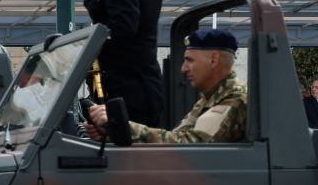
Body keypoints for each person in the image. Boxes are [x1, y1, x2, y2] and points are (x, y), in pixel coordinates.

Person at [85, 28, 247, 144]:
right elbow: (176, 138)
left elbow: (192, 145)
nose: (183, 68)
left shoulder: (234, 98)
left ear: (213, 60)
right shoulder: (210, 98)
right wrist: (113, 133)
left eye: (190, 60)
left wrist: (125, 127)